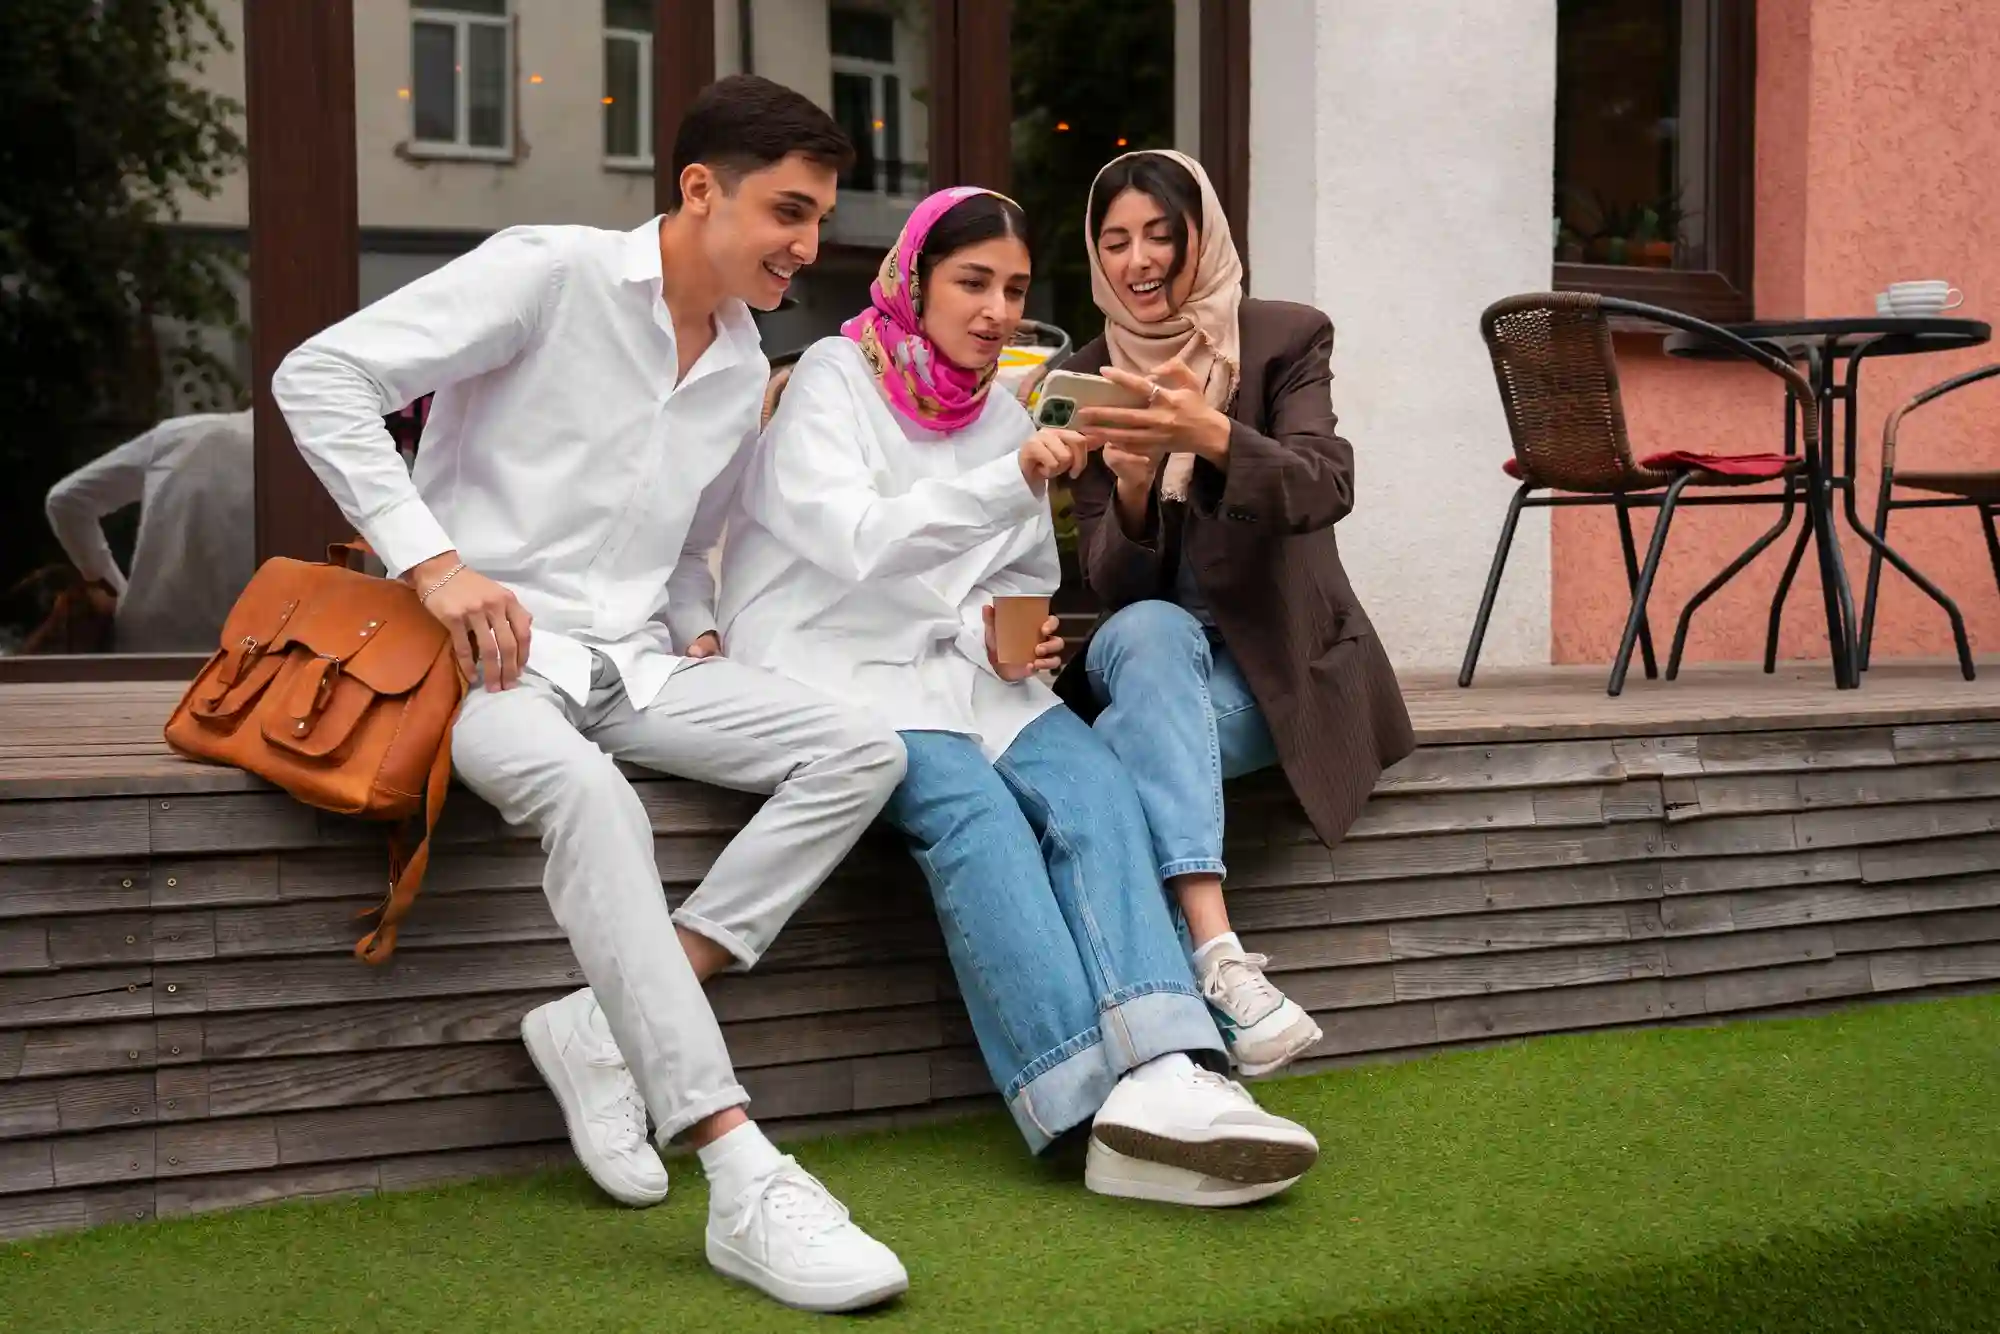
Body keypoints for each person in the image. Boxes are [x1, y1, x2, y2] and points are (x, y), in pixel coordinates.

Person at [273, 76, 911, 1314]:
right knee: (591, 800)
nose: (806, 245)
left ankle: (602, 1024)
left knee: (861, 749)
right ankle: (738, 1167)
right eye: (787, 210)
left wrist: (706, 633)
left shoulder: (740, 363)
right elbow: (320, 376)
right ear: (696, 189)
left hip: (631, 662)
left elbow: (676, 550)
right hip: (479, 669)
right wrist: (441, 566)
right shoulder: (548, 273)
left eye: (819, 219)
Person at [718, 186, 1320, 1208]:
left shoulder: (1003, 406)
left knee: (1094, 789)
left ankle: (1168, 1064)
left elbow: (1011, 567)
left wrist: (1013, 631)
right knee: (974, 817)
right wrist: (1011, 479)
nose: (995, 310)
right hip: (831, 664)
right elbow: (851, 540)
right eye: (970, 283)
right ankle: (1086, 1103)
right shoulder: (833, 377)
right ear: (914, 280)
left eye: (1013, 288)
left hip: (962, 672)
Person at [1056, 150, 1416, 1078]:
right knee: (1149, 629)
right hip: (1149, 657)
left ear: (1201, 237)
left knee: (1109, 766)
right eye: (1115, 241)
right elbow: (1110, 589)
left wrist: (1206, 434)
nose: (1139, 262)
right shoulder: (1087, 372)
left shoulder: (1284, 339)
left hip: (1271, 668)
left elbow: (1321, 483)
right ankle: (1220, 957)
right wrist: (1132, 490)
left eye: (1160, 236)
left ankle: (1158, 1016)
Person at [42, 409, 255, 653]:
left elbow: (65, 501)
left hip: (145, 647)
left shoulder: (179, 434)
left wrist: (117, 591)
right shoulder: (296, 457)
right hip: (248, 657)